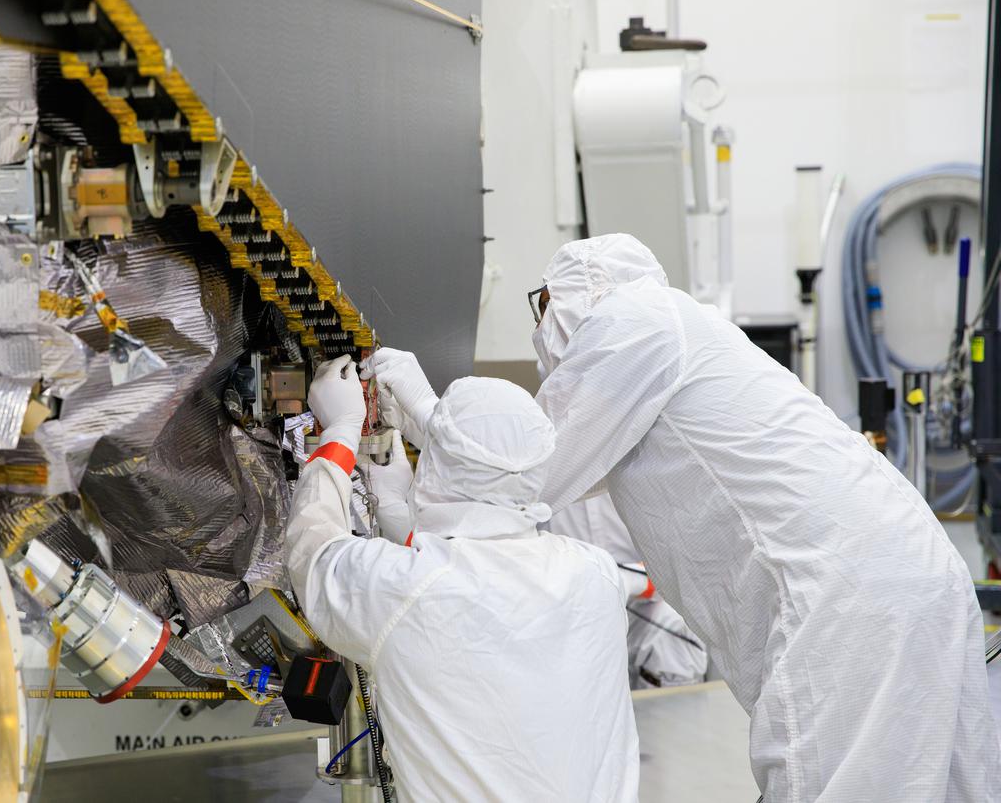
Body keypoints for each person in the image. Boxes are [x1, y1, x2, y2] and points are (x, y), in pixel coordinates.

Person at [368, 233, 1001, 802]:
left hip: (846, 602)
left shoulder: (629, 322)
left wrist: (426, 411)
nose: (540, 329)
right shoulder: (681, 334)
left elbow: (525, 473)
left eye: (543, 306)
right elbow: (541, 474)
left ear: (573, 294)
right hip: (916, 577)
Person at [285, 357, 638, 802]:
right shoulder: (597, 574)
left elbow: (314, 552)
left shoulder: (402, 590)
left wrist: (340, 432)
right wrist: (404, 521)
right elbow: (477, 595)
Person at [548, 494, 708, 690]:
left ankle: (674, 708)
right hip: (566, 611)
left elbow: (681, 565)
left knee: (676, 627)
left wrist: (629, 581)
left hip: (641, 605)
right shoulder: (539, 478)